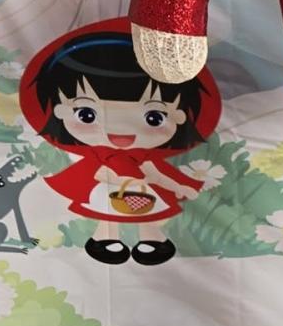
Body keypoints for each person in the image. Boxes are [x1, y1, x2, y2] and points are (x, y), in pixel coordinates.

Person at [19, 18, 217, 265]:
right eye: (86, 115)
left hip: (142, 194)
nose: (120, 133)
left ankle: (153, 240)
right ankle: (104, 239)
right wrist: (126, 178)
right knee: (107, 214)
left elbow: (157, 177)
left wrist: (178, 187)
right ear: (59, 111)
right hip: (114, 193)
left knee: (148, 216)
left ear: (179, 116)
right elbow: (101, 175)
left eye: (154, 118)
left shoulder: (143, 160)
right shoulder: (104, 159)